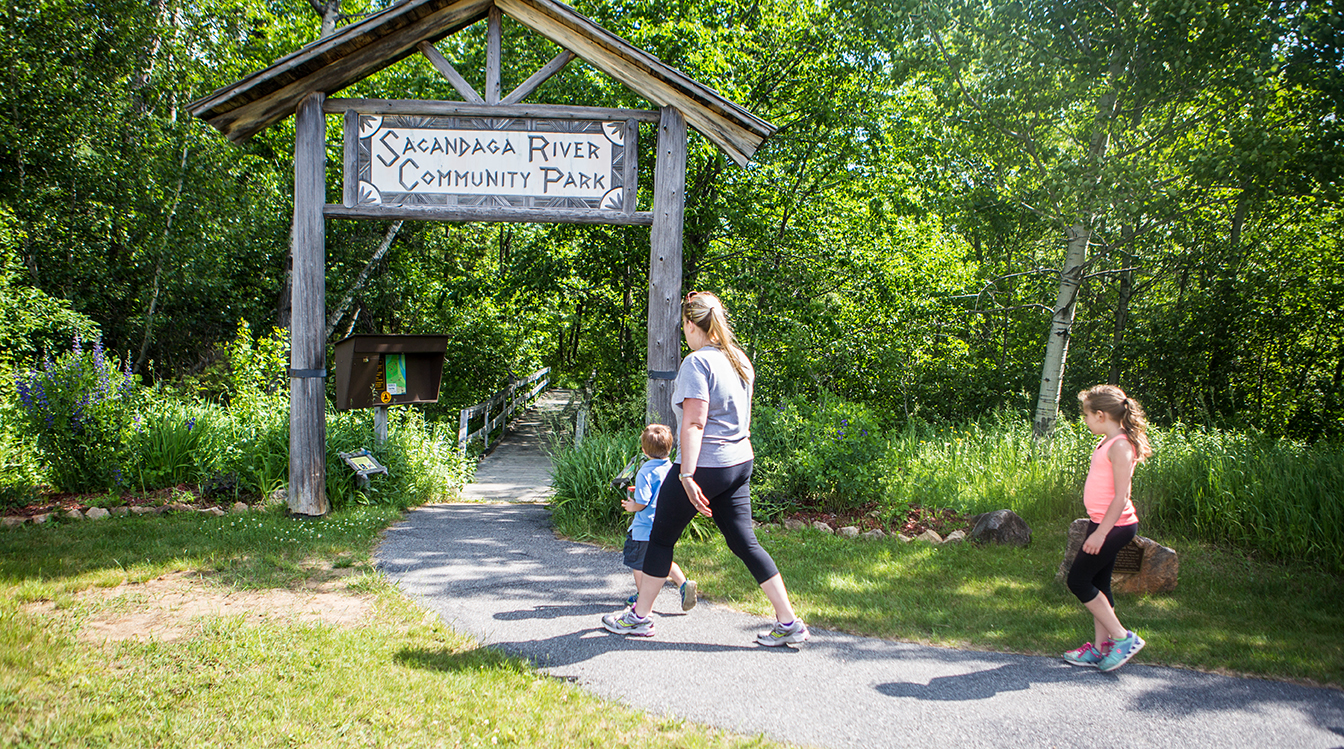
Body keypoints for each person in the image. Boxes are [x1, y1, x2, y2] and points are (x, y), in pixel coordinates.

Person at [602, 291, 808, 646]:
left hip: (704, 465)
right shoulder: (739, 359)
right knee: (746, 542)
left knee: (660, 538)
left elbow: (695, 424)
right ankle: (788, 622)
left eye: (683, 325)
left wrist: (685, 475)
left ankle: (639, 618)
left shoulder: (697, 363)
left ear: (689, 324)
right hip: (739, 462)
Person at [1064, 384, 1152, 672]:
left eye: (1087, 415)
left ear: (1101, 415)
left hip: (1115, 526)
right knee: (1098, 584)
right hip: (1100, 522)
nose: (1085, 420)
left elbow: (1122, 496)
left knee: (1077, 580)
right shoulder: (1107, 442)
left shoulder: (1122, 446)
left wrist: (1101, 533)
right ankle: (1102, 649)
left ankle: (1122, 638)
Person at [620, 423, 697, 612]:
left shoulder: (645, 471)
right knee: (662, 559)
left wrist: (632, 506)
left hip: (644, 527)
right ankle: (684, 584)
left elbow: (643, 501)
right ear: (669, 447)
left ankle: (642, 599)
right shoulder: (671, 469)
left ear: (644, 450)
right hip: (663, 523)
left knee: (638, 563)